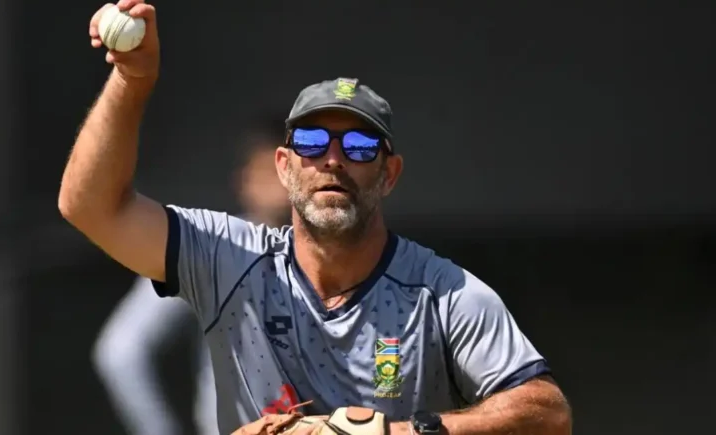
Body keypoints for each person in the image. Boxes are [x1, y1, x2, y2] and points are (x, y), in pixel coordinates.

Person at [60, 1, 572, 434]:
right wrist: (132, 78)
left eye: (358, 145)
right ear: (284, 167)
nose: (332, 160)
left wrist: (398, 432)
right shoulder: (228, 257)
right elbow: (90, 208)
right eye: (310, 141)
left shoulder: (443, 293)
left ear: (389, 174)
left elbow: (549, 413)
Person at [91, 120, 290, 435]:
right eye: (269, 171)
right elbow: (120, 351)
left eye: (291, 171)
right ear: (244, 180)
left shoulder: (355, 255)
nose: (282, 185)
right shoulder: (209, 249)